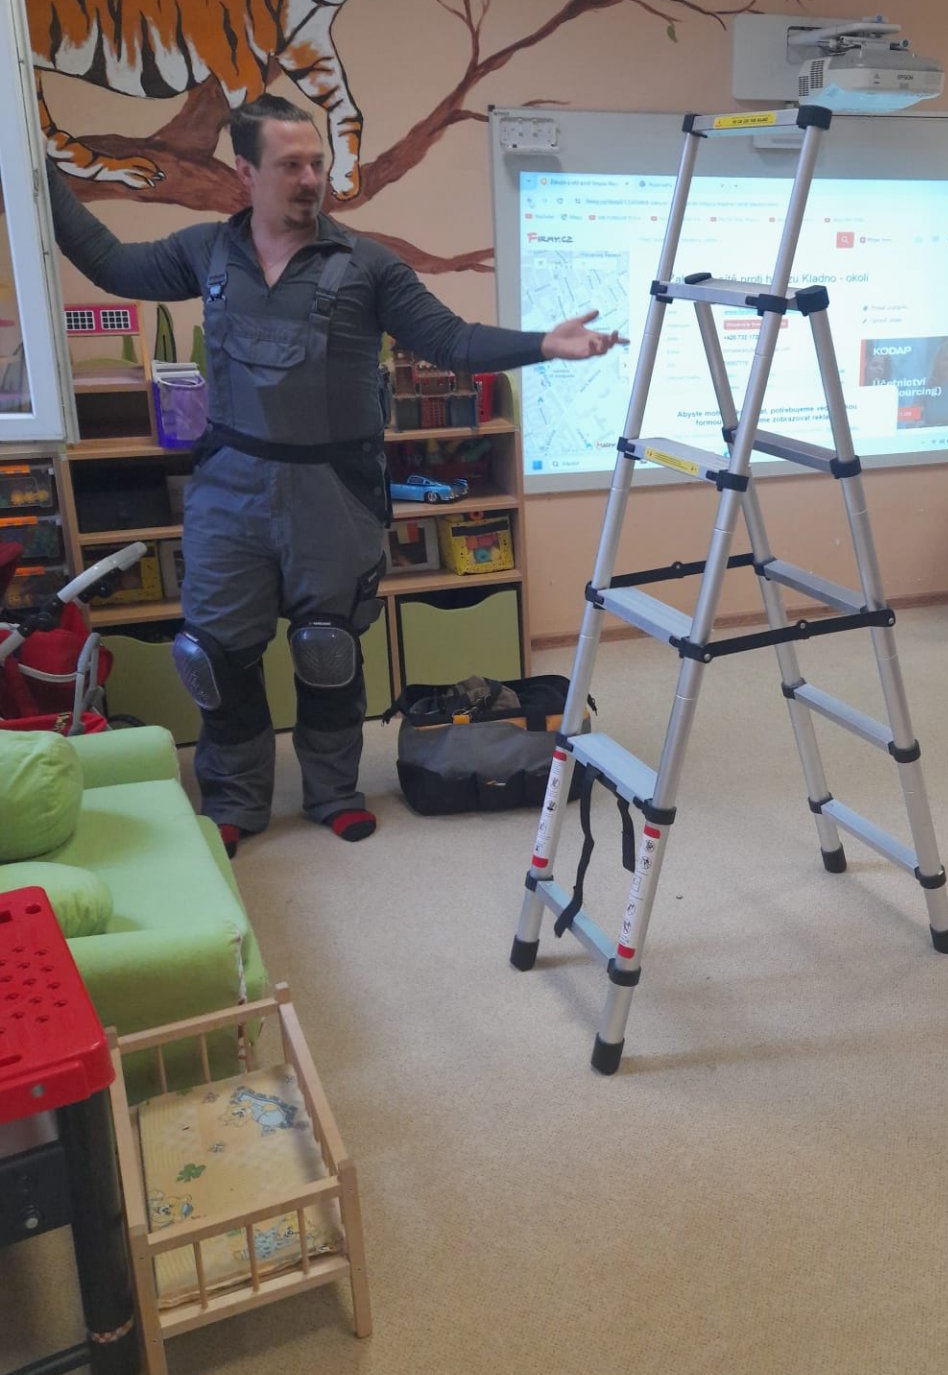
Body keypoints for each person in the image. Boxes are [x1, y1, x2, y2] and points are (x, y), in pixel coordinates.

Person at [45, 93, 623, 854]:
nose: (311, 178)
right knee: (214, 655)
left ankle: (332, 793)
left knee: (328, 649)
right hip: (230, 488)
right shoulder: (204, 252)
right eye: (291, 165)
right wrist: (34, 169)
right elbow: (110, 262)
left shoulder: (367, 265)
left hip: (333, 489)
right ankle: (236, 799)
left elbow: (449, 340)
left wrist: (542, 344)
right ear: (246, 172)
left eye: (316, 162)